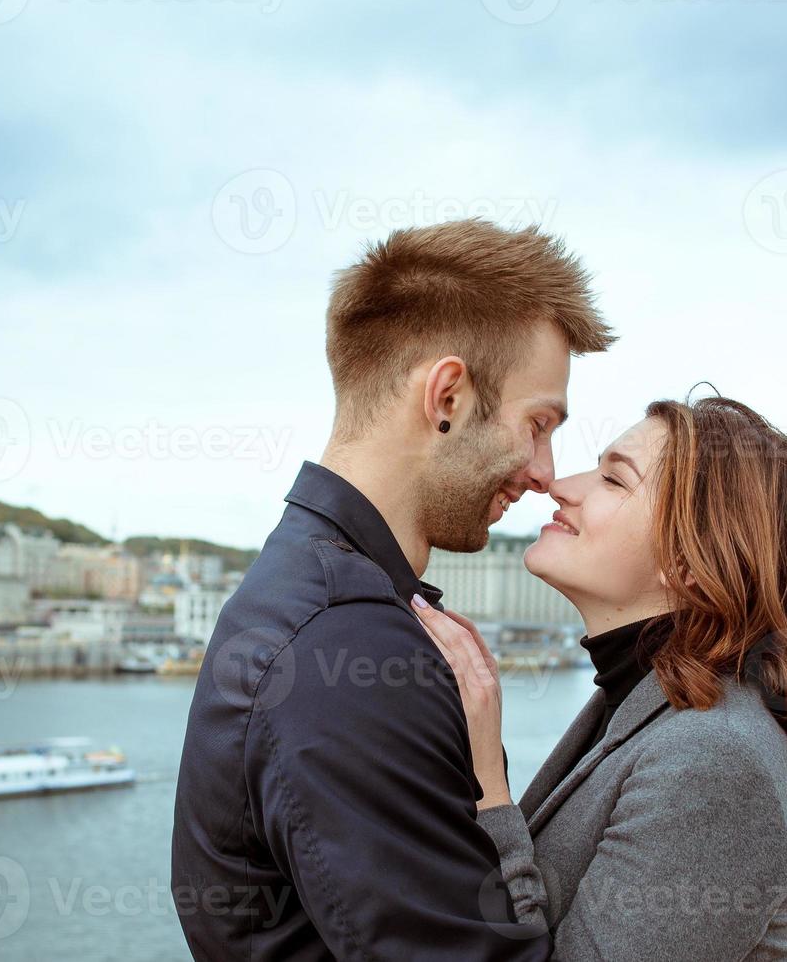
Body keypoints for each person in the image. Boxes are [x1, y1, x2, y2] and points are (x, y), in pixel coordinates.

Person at [171, 219, 616, 960]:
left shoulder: (316, 597)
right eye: (537, 424)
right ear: (445, 395)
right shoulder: (342, 646)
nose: (544, 469)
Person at [414, 395, 787, 961]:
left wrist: (486, 778)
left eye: (614, 479)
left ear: (688, 560)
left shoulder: (717, 761)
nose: (562, 485)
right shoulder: (645, 707)